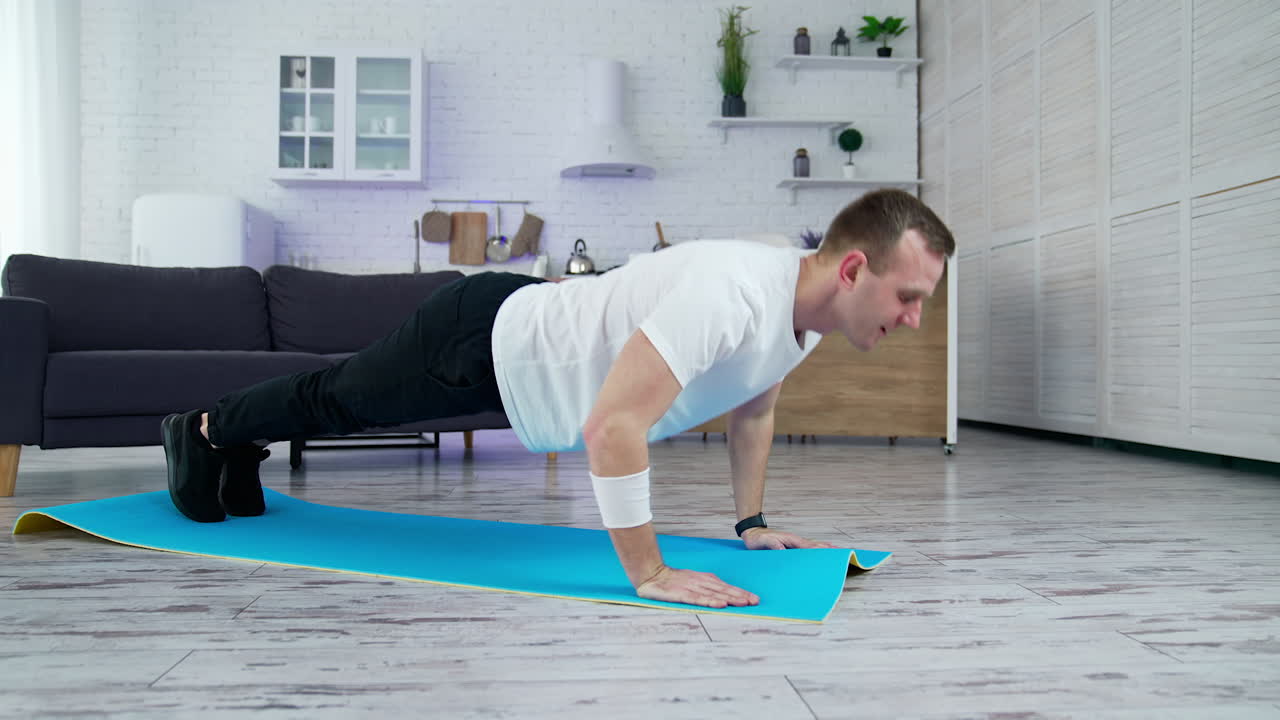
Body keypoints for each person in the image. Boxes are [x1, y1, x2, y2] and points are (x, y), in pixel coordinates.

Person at [162, 188, 955, 610]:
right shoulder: (734, 293)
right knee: (339, 404)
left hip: (513, 348)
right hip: (482, 342)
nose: (915, 319)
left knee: (338, 402)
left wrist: (748, 524)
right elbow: (612, 428)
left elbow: (755, 407)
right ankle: (202, 428)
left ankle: (229, 441)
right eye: (909, 296)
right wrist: (648, 573)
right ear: (853, 270)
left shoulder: (802, 311)